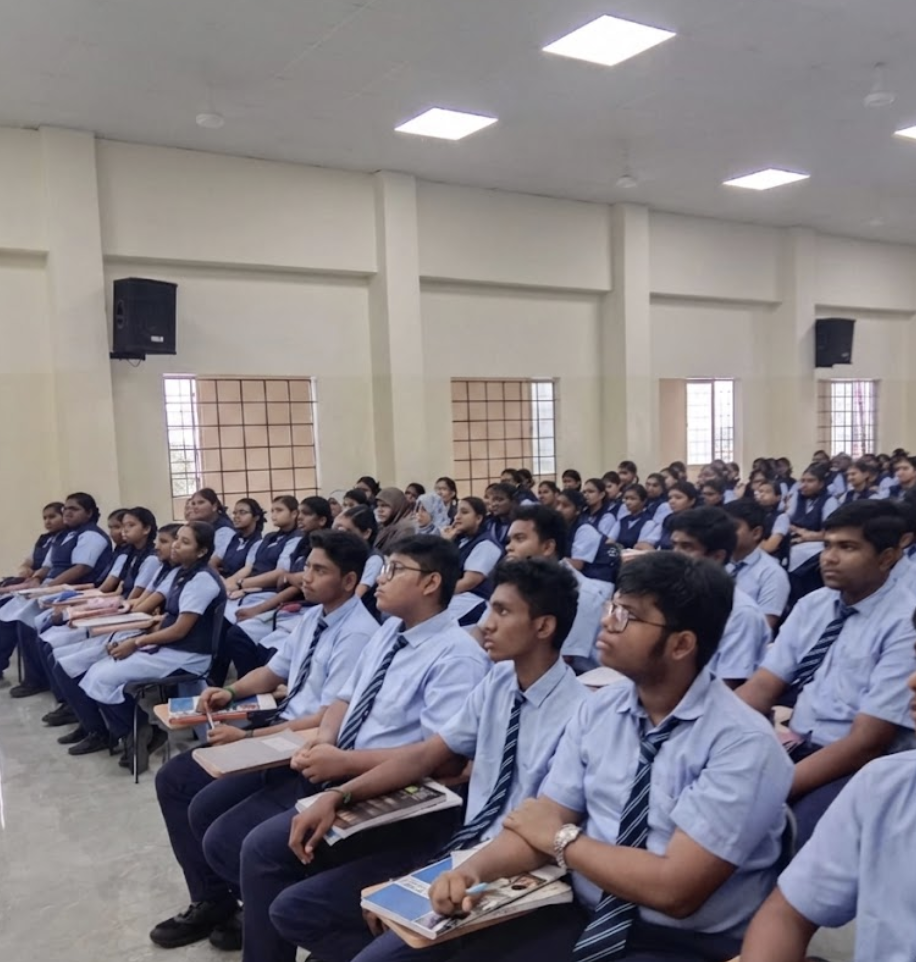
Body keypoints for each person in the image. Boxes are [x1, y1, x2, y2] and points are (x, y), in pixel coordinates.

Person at [413, 552, 792, 962]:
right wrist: (472, 871)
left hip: (679, 941)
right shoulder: (600, 709)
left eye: (628, 616)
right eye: (613, 606)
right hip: (583, 913)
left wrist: (562, 842)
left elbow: (675, 890)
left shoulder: (742, 743)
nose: (608, 621)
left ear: (682, 644)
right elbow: (544, 819)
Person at [271, 558, 588, 962]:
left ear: (544, 627)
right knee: (294, 909)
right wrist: (339, 797)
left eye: (503, 611)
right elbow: (427, 754)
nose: (486, 623)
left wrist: (459, 873)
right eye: (490, 608)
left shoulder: (579, 714)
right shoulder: (500, 681)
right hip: (461, 845)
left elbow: (543, 835)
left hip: (516, 870)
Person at [208, 535, 490, 962]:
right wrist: (325, 740)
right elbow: (345, 696)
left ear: (431, 583)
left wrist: (343, 762)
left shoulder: (456, 656)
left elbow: (442, 759)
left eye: (395, 570)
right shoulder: (390, 631)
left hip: (395, 792)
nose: (381, 579)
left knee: (264, 852)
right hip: (338, 766)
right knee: (238, 838)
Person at [149, 530, 378, 950]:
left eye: (319, 570)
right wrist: (231, 693)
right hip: (281, 723)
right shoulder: (315, 616)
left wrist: (249, 735)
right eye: (307, 566)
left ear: (348, 581)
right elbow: (274, 673)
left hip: (302, 741)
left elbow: (327, 718)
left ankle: (249, 906)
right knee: (178, 782)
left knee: (213, 817)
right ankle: (216, 900)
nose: (305, 577)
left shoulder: (359, 633)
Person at [736, 500, 916, 846]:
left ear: (888, 557)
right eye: (828, 545)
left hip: (858, 764)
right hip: (796, 742)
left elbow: (866, 743)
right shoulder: (814, 605)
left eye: (847, 547)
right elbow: (762, 687)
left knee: (797, 835)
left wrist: (777, 787)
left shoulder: (905, 622)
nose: (828, 557)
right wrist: (701, 731)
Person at [739, 656, 916, 962]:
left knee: (788, 824)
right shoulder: (886, 786)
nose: (911, 681)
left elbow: (865, 742)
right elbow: (786, 915)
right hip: (795, 740)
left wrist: (771, 792)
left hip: (840, 757)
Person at [63, 522, 227, 768]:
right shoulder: (183, 572)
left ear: (202, 551)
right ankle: (135, 732)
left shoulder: (201, 580)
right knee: (96, 671)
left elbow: (180, 629)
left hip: (187, 656)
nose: (175, 545)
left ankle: (137, 732)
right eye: (177, 539)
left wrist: (137, 641)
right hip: (170, 648)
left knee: (103, 677)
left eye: (184, 542)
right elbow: (169, 618)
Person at [5, 492, 113, 698]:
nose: (67, 513)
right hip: (52, 587)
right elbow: (47, 566)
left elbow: (80, 568)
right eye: (66, 508)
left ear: (88, 513)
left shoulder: (91, 535)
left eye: (74, 509)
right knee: (18, 617)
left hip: (73, 591)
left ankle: (42, 682)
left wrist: (46, 589)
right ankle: (38, 678)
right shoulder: (64, 536)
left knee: (30, 624)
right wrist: (36, 579)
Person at [500, 504, 610, 673]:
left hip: (581, 680)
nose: (509, 547)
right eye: (509, 540)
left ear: (547, 547)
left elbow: (561, 661)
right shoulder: (517, 585)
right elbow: (483, 633)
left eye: (519, 539)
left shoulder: (582, 595)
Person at [669, 507, 771, 686]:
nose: (675, 555)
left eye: (686, 547)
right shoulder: (671, 597)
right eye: (674, 545)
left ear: (716, 557)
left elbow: (728, 688)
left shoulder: (741, 614)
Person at [723, 500, 790, 631]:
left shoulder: (772, 573)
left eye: (732, 527)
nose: (724, 532)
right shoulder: (716, 561)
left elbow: (761, 629)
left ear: (756, 533)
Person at [442, 497, 503, 626]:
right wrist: (446, 542)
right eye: (457, 512)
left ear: (478, 518)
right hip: (454, 595)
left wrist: (438, 593)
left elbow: (468, 582)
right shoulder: (460, 539)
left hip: (473, 600)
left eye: (464, 512)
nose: (457, 517)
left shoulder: (486, 545)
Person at [216, 499, 266, 586]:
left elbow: (247, 570)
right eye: (235, 513)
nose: (236, 516)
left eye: (242, 512)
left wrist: (225, 584)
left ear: (256, 517)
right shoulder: (233, 538)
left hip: (236, 585)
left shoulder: (259, 543)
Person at [186, 488, 236, 565]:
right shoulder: (198, 526)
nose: (195, 507)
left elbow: (212, 562)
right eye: (193, 503)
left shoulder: (225, 530)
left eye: (201, 502)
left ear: (214, 506)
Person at [614, 484, 661, 551]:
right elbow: (610, 541)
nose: (628, 502)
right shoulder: (622, 520)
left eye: (633, 499)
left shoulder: (648, 522)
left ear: (643, 501)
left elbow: (640, 546)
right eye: (626, 498)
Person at [755, 479, 791, 565]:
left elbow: (769, 547)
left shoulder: (782, 517)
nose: (762, 495)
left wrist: (752, 542)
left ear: (778, 497)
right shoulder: (754, 514)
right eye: (760, 491)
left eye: (767, 492)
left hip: (773, 560)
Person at [657, 481, 698, 551]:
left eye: (678, 498)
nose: (672, 501)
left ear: (692, 501)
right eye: (670, 498)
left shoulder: (696, 520)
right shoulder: (668, 518)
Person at [374, 488, 416, 554]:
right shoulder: (384, 526)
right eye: (378, 506)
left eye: (385, 506)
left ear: (397, 505)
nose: (380, 510)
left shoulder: (407, 529)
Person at [483, 483, 515, 547]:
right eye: (493, 500)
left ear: (513, 501)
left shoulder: (520, 524)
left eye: (500, 500)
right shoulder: (487, 523)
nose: (494, 504)